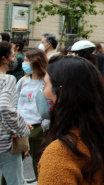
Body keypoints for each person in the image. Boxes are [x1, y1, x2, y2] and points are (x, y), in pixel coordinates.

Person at [37, 55, 104, 184]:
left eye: (44, 85)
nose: (42, 93)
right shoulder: (103, 135)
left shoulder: (59, 154)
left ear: (62, 93)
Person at [0, 41, 30, 184]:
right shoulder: (7, 79)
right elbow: (5, 108)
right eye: (12, 56)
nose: (14, 59)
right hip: (4, 144)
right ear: (4, 59)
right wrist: (23, 128)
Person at [16, 49, 48, 183]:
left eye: (26, 60)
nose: (24, 63)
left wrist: (44, 126)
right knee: (14, 164)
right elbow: (15, 101)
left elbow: (49, 105)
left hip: (37, 128)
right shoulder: (23, 81)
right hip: (20, 128)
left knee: (39, 163)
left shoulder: (46, 82)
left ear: (35, 62)